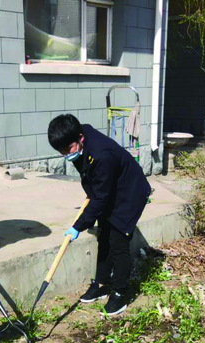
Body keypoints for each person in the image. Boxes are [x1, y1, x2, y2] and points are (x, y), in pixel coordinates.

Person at [47, 114, 151, 316]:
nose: (65, 154)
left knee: (118, 242)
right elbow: (93, 182)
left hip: (129, 193)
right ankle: (102, 283)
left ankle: (120, 293)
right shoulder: (78, 137)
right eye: (61, 151)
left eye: (67, 149)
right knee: (104, 236)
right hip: (110, 187)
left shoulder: (102, 155)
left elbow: (100, 199)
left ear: (80, 138)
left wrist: (78, 226)